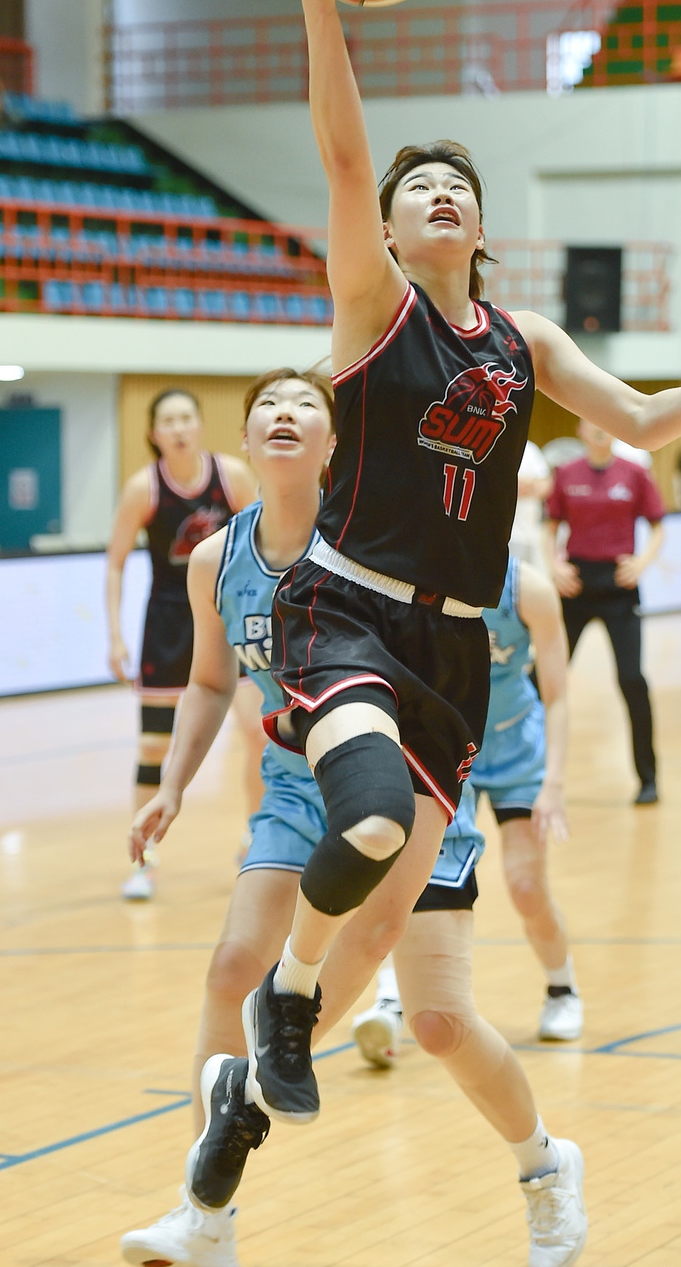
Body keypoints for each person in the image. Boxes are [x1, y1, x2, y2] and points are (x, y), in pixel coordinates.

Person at [184, 0, 681, 1247]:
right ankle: (280, 1022)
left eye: (453, 184)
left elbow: (636, 424)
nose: (435, 192)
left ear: (479, 225)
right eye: (418, 189)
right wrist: (314, 4)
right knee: (354, 822)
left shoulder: (520, 338)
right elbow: (344, 162)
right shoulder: (371, 309)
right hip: (345, 610)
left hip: (456, 653)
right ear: (399, 234)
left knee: (405, 926)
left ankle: (312, 1027)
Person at [121, 370, 585, 1267]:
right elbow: (214, 681)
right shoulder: (217, 557)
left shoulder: (378, 544)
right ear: (245, 441)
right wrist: (173, 782)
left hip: (407, 784)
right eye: (267, 405)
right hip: (299, 791)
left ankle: (545, 1167)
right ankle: (205, 1208)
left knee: (440, 1022)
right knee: (229, 973)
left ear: (336, 444)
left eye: (306, 404)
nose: (284, 414)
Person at [352, 551, 581, 1062]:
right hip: (452, 748)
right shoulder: (423, 578)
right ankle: (390, 998)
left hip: (516, 750)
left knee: (525, 886)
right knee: (414, 877)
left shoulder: (531, 591)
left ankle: (562, 987)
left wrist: (555, 785)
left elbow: (558, 695)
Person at [106, 386, 258, 900]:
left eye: (185, 418)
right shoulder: (143, 488)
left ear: (198, 426)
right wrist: (114, 635)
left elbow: (266, 539)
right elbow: (115, 561)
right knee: (153, 748)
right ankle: (142, 858)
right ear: (154, 433)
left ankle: (256, 841)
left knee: (260, 738)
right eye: (167, 420)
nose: (177, 428)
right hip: (168, 624)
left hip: (226, 618)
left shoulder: (231, 476)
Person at [546, 419, 665, 806]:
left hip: (619, 587)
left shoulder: (634, 475)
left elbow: (659, 525)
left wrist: (642, 562)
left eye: (605, 424)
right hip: (577, 586)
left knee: (632, 680)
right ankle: (529, 774)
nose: (599, 429)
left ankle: (648, 778)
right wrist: (555, 565)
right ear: (580, 431)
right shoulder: (566, 474)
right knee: (541, 680)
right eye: (591, 424)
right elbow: (550, 526)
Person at [509, 439, 553, 568]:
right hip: (496, 536)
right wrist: (530, 484)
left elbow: (546, 487)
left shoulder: (529, 449)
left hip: (526, 536)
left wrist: (515, 484)